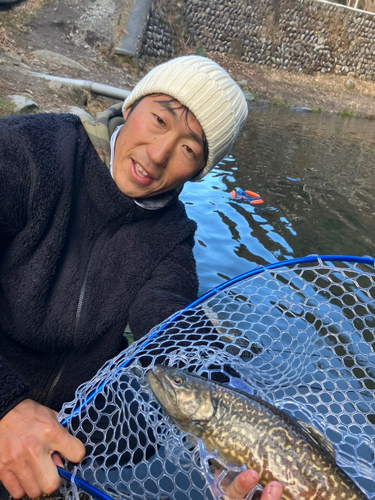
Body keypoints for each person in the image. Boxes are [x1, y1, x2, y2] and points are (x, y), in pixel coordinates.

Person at [0, 55, 282, 500]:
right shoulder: (30, 150)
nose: (158, 154)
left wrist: (230, 445)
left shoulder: (171, 237)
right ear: (131, 106)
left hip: (59, 441)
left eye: (189, 149)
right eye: (158, 119)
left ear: (198, 171)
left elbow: (177, 337)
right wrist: (6, 407)